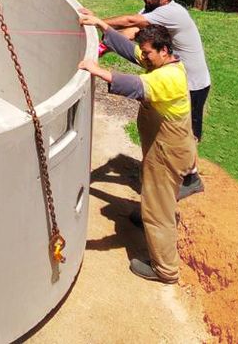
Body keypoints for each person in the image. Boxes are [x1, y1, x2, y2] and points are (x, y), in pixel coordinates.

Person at [79, 23, 196, 283]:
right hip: (163, 148)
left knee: (159, 211)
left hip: (169, 152)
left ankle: (165, 270)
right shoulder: (163, 62)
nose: (144, 57)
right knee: (152, 191)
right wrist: (100, 25)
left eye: (148, 53)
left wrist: (96, 70)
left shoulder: (168, 78)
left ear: (164, 50)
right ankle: (147, 215)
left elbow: (134, 86)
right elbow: (130, 51)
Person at [79, 0, 210, 199]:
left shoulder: (173, 13)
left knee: (185, 131)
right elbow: (132, 33)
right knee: (166, 128)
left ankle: (190, 178)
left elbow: (131, 22)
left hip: (192, 82)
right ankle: (175, 170)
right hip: (168, 75)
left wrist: (99, 20)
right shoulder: (152, 11)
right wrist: (101, 43)